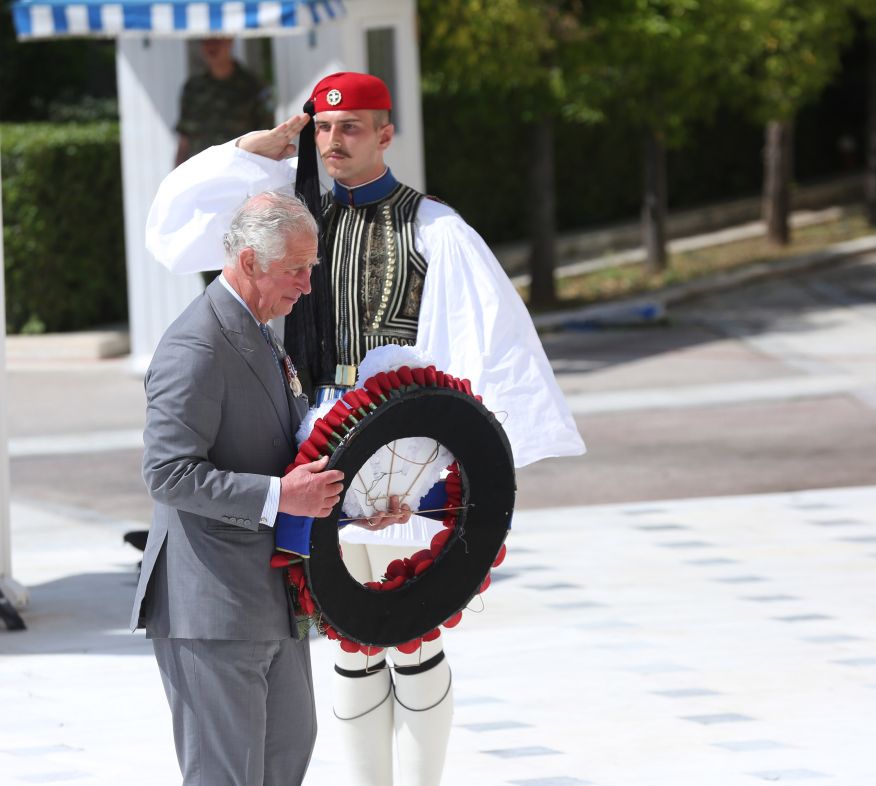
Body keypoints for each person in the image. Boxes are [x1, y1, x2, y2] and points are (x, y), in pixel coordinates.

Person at [145, 72, 586, 786]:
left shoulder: (431, 226)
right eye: (322, 128)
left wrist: (451, 472)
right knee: (347, 639)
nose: (332, 141)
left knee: (411, 635)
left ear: (386, 132)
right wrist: (249, 151)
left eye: (350, 127)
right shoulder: (283, 210)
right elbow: (172, 229)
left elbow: (480, 342)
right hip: (309, 452)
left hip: (404, 450)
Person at [130, 191, 338, 786]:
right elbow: (167, 472)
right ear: (249, 262)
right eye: (295, 269)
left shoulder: (260, 329)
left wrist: (349, 501)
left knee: (287, 757)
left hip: (270, 600)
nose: (305, 285)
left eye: (310, 268)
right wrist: (281, 497)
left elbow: (286, 449)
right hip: (212, 606)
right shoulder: (196, 344)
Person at [174, 37, 274, 168]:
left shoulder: (253, 86)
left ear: (230, 41)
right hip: (200, 172)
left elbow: (266, 138)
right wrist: (177, 173)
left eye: (217, 40)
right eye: (206, 41)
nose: (211, 47)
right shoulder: (193, 88)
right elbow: (184, 139)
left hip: (240, 173)